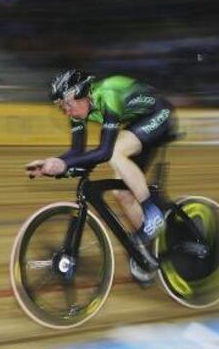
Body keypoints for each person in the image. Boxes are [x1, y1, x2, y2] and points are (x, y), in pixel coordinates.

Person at [25, 69, 178, 284]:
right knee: (121, 194)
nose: (66, 111)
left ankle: (153, 212)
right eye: (61, 107)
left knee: (115, 151)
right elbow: (76, 152)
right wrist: (52, 165)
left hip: (160, 114)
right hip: (138, 125)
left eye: (67, 104)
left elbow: (104, 152)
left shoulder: (108, 94)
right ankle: (146, 253)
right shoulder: (78, 112)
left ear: (81, 93)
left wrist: (64, 164)